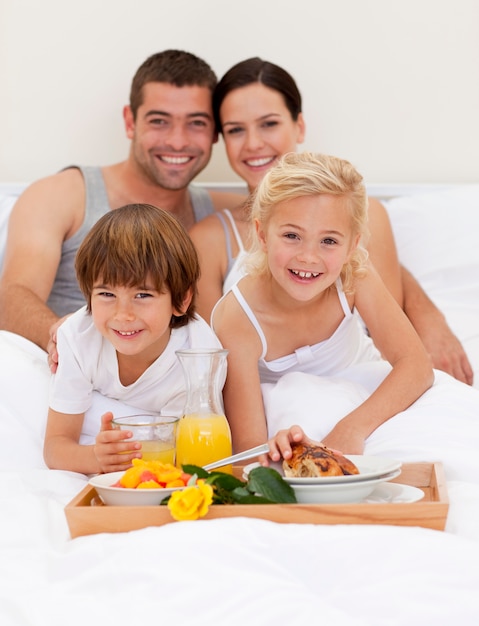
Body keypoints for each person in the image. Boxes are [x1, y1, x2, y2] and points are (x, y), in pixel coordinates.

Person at [189, 57, 473, 385]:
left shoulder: (365, 214)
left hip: (352, 385)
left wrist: (429, 318)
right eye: (235, 130)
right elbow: (215, 363)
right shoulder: (210, 238)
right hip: (263, 401)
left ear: (299, 126)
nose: (253, 143)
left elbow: (383, 328)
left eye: (269, 123)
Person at [0, 49, 243, 353]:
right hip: (69, 377)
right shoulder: (63, 194)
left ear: (215, 132)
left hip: (169, 388)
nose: (178, 141)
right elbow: (12, 297)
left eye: (196, 123)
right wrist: (63, 340)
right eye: (159, 121)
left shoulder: (222, 214)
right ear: (130, 121)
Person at [212, 151, 434, 458]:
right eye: (292, 235)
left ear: (352, 245)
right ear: (262, 235)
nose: (308, 257)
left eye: (328, 241)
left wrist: (352, 429)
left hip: (367, 403)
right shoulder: (237, 317)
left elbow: (417, 366)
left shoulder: (355, 277)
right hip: (292, 420)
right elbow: (248, 447)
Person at [43, 203, 223, 474]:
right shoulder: (78, 337)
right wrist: (96, 457)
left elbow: (182, 460)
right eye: (106, 295)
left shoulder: (198, 354)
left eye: (143, 295)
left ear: (181, 300)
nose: (123, 314)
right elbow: (55, 446)